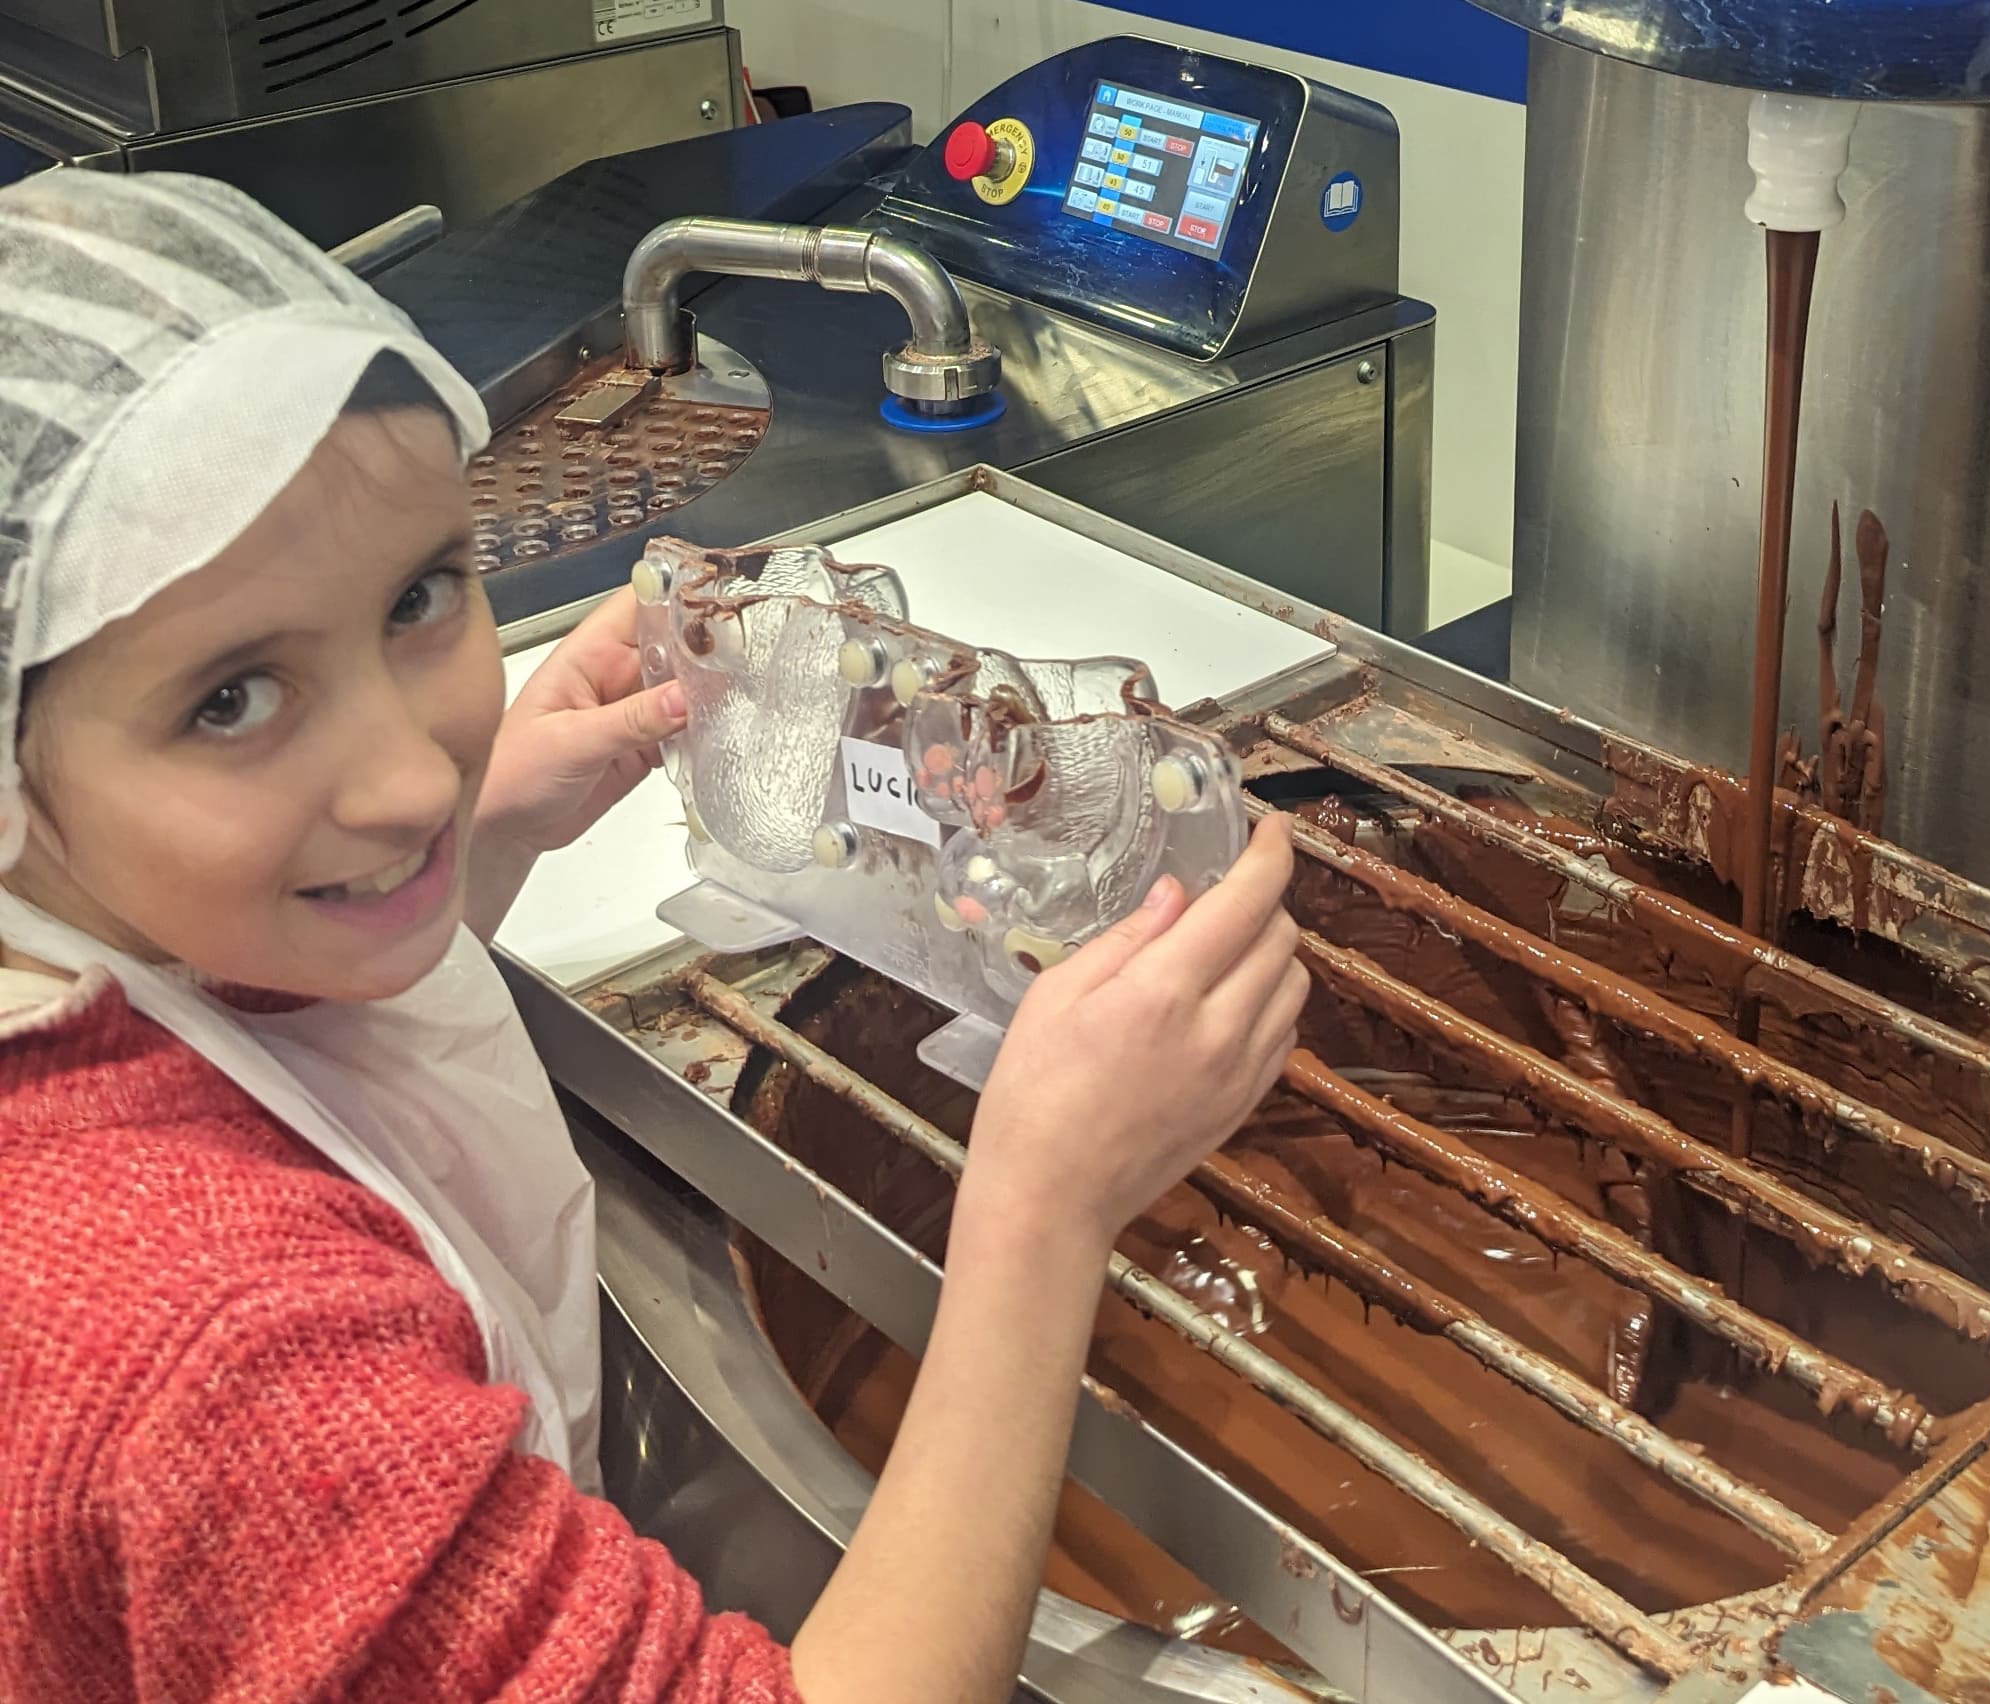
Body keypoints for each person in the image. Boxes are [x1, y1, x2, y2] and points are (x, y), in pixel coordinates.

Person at [0, 171, 1306, 1703]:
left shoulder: (70, 966)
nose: (414, 772)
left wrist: (479, 845)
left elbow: (228, 1032)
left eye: (422, 596)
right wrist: (1039, 1209)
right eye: (234, 698)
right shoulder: (226, 1364)